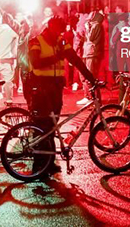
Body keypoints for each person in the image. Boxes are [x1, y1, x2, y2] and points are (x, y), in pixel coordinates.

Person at [28, 16, 97, 175]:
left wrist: (91, 78)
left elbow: (75, 59)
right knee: (42, 126)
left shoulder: (60, 41)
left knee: (52, 125)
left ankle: (49, 162)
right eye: (58, 30)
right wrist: (57, 57)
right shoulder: (36, 41)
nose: (60, 34)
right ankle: (38, 165)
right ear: (50, 27)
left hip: (55, 88)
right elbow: (36, 62)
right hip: (40, 87)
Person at [78, 11, 105, 106]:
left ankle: (94, 99)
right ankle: (89, 97)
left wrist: (87, 29)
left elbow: (91, 38)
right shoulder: (94, 26)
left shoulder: (97, 25)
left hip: (92, 54)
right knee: (85, 76)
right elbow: (86, 39)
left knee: (91, 77)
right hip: (88, 53)